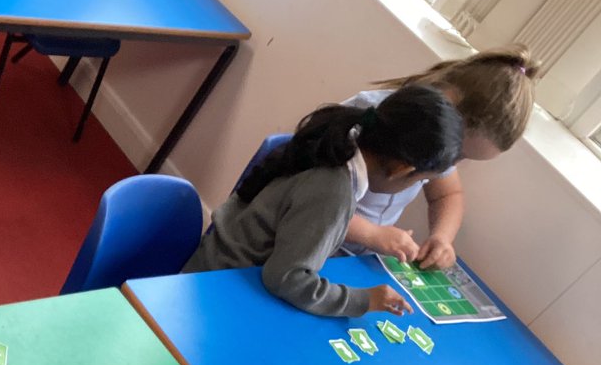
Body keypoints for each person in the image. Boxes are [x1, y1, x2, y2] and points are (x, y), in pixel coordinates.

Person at [183, 85, 462, 318]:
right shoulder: (334, 191)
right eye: (420, 180)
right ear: (402, 168)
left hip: (222, 269)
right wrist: (365, 300)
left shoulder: (341, 138)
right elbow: (286, 279)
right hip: (219, 291)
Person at [342, 46, 541, 268]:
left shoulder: (439, 145)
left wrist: (442, 238)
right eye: (458, 152)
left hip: (356, 257)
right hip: (313, 239)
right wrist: (370, 234)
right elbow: (305, 196)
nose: (452, 164)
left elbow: (448, 194)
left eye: (463, 159)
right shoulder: (368, 118)